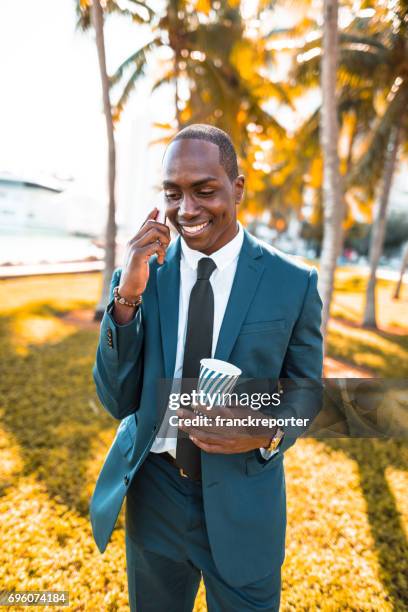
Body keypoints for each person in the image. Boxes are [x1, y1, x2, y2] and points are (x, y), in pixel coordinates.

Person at [90, 124, 323, 611]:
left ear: (237, 187)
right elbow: (116, 399)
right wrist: (127, 297)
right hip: (155, 497)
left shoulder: (293, 283)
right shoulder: (139, 277)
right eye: (173, 193)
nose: (187, 209)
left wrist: (264, 430)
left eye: (205, 190)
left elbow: (305, 389)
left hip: (245, 503)